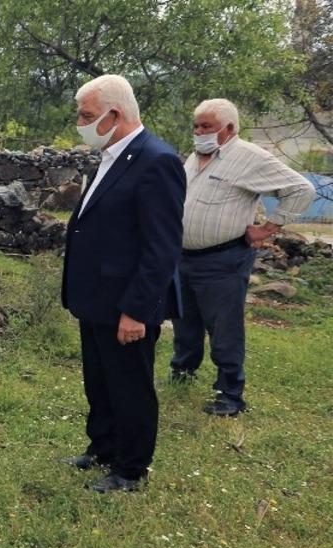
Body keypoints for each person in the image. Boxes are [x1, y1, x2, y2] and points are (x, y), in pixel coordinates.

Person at [60, 75, 185, 493]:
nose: (80, 122)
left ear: (115, 114)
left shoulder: (156, 160)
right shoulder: (113, 156)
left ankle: (131, 468)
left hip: (126, 303)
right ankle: (103, 446)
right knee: (100, 380)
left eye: (87, 115)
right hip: (97, 297)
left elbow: (161, 247)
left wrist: (136, 310)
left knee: (130, 386)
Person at [170, 99, 316, 417]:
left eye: (206, 126)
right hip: (183, 257)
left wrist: (268, 228)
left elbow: (301, 188)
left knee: (224, 327)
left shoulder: (249, 157)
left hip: (223, 259)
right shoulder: (194, 158)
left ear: (230, 128)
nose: (198, 132)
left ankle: (230, 394)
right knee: (185, 320)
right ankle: (182, 372)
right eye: (196, 126)